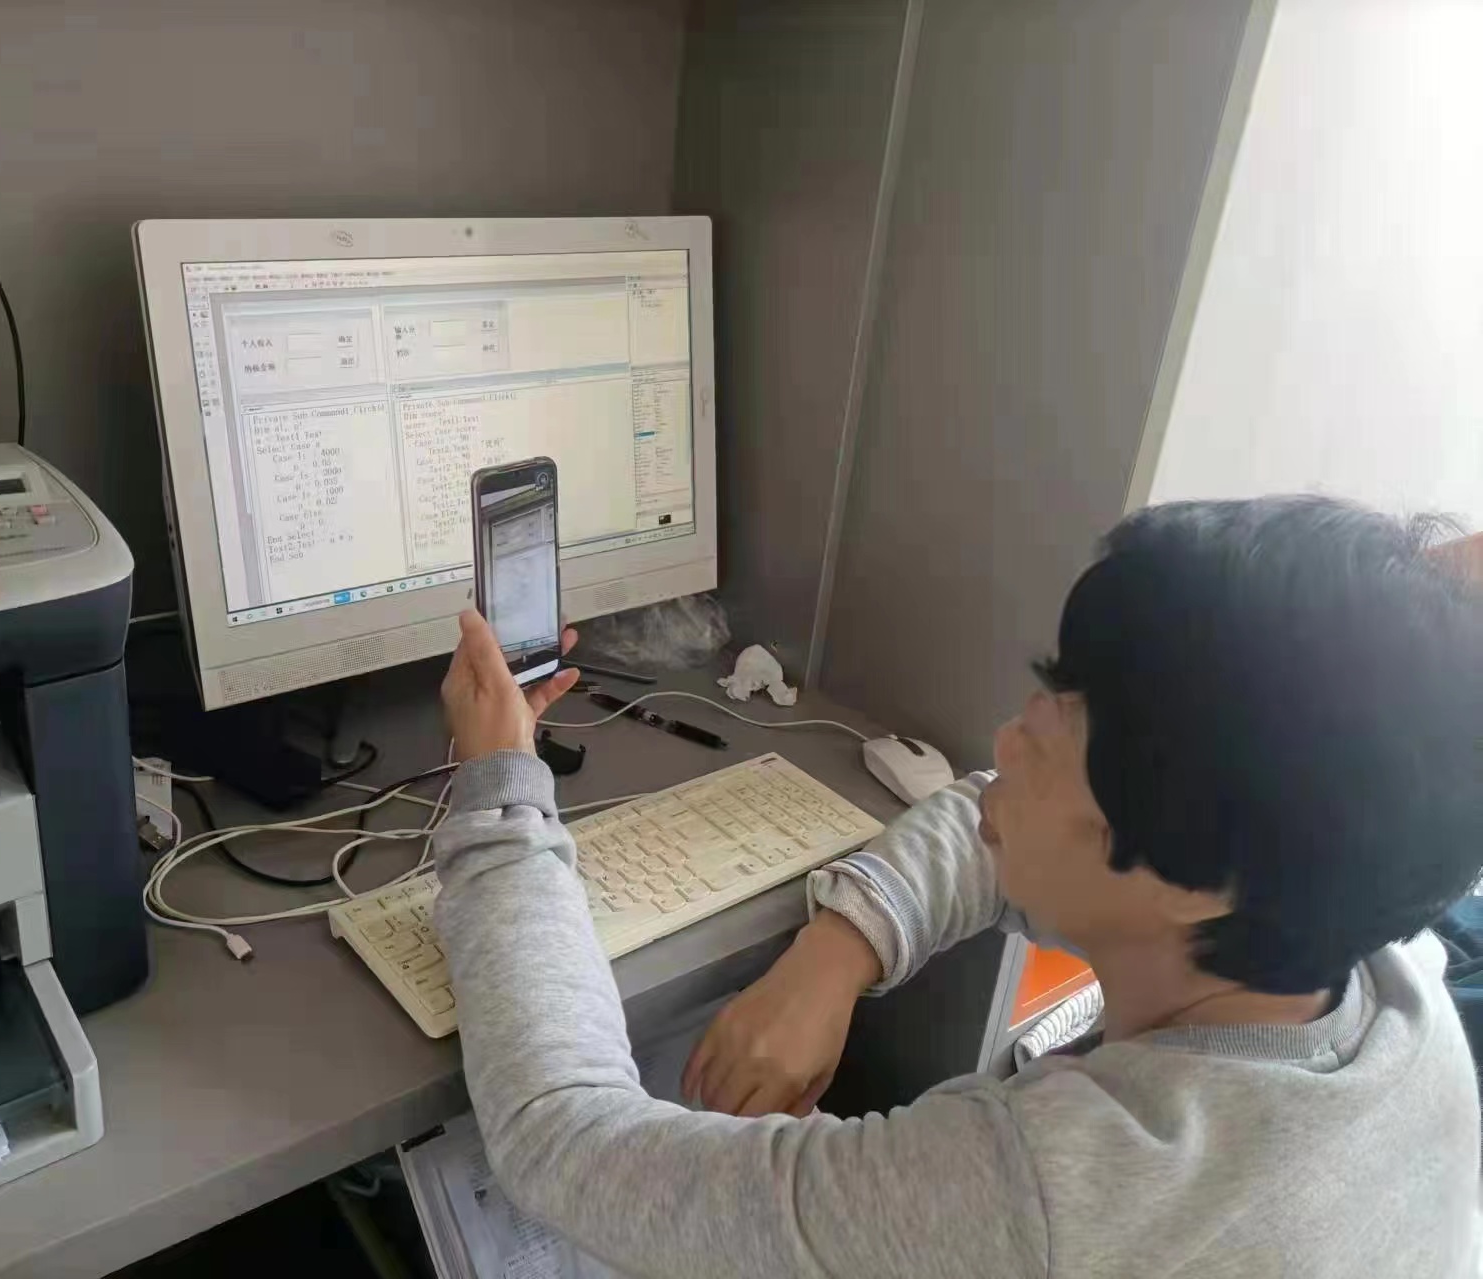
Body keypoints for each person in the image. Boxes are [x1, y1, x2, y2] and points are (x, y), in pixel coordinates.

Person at [432, 496, 1483, 1278]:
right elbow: (993, 820)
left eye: (1048, 729)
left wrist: (500, 790)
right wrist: (839, 947)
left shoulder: (1048, 1195)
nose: (1000, 744)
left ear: (1186, 871)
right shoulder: (1383, 974)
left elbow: (562, 1141)